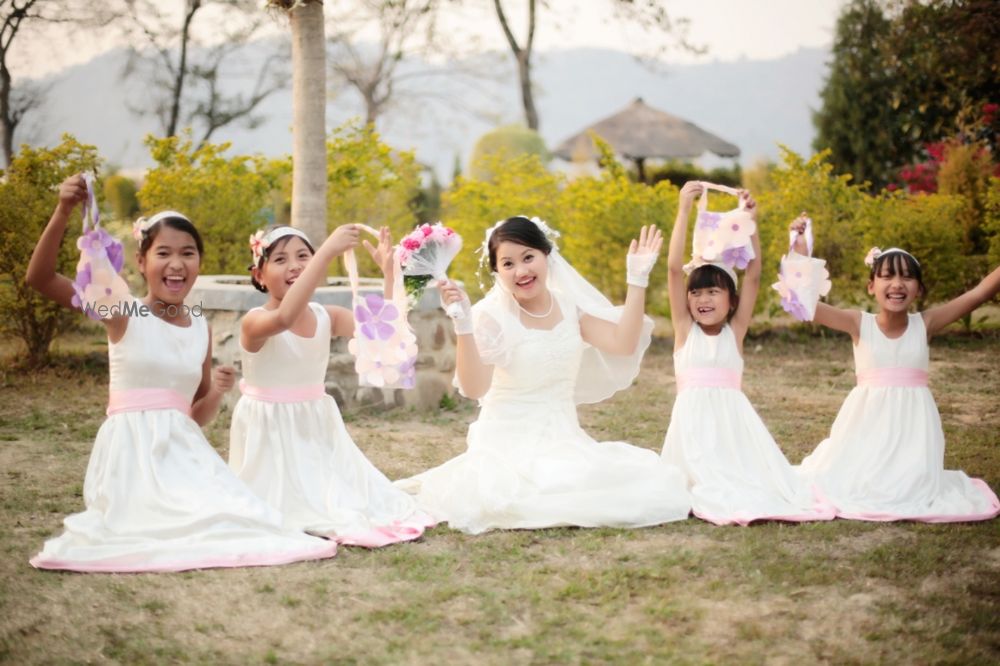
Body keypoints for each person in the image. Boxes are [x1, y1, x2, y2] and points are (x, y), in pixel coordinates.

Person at [25, 174, 336, 572]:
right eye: (164, 253)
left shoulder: (199, 328)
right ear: (141, 262)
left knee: (235, 518)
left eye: (188, 253)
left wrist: (218, 393)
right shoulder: (123, 312)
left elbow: (195, 417)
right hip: (132, 454)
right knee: (159, 524)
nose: (176, 264)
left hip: (186, 454)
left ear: (198, 263)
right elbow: (41, 278)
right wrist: (64, 210)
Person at [396, 215, 691, 534]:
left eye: (528, 257)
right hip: (507, 444)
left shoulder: (568, 306)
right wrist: (463, 324)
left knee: (638, 478)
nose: (521, 271)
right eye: (507, 264)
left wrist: (637, 279)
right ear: (497, 272)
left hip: (565, 439)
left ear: (546, 255)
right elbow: (472, 387)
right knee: (553, 487)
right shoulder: (489, 316)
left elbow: (623, 342)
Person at [229, 225, 433, 546]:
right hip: (270, 429)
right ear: (259, 275)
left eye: (303, 257)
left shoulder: (328, 316)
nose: (295, 265)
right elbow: (283, 318)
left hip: (315, 426)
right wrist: (324, 253)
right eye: (280, 259)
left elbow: (386, 329)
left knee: (343, 498)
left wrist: (390, 274)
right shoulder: (254, 322)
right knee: (285, 502)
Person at [660, 181, 834, 525]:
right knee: (696, 485)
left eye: (713, 292)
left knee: (746, 482)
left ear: (732, 300)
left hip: (733, 431)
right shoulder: (685, 330)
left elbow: (753, 275)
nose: (703, 300)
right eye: (696, 293)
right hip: (691, 434)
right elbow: (673, 269)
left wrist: (751, 223)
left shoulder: (734, 332)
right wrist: (683, 210)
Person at [798, 241, 1000, 522]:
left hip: (913, 431)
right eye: (887, 276)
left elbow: (977, 294)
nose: (897, 284)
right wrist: (798, 251)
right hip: (866, 428)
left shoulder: (924, 323)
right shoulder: (859, 323)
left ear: (918, 289)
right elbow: (806, 304)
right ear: (871, 286)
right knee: (852, 482)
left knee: (910, 488)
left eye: (907, 276)